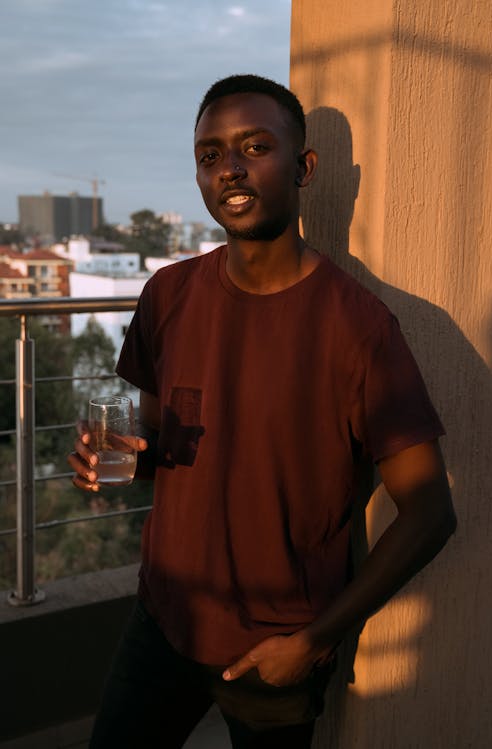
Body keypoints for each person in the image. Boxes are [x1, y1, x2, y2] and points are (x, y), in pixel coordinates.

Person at [68, 74, 456, 749]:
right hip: (162, 621)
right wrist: (128, 465)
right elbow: (159, 448)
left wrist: (313, 641)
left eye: (255, 146)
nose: (232, 169)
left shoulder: (359, 328)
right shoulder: (167, 295)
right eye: (211, 155)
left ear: (303, 168)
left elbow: (430, 512)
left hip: (275, 649)